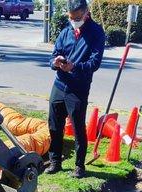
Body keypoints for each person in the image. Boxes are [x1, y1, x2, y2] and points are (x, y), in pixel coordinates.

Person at [45, 0, 105, 179]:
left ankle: (79, 166)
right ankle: (55, 162)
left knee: (78, 128)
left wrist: (74, 67)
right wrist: (55, 63)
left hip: (78, 88)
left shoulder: (96, 33)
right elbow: (53, 55)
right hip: (59, 85)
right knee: (54, 125)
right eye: (71, 18)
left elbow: (94, 63)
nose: (74, 21)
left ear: (86, 12)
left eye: (77, 18)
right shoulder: (65, 31)